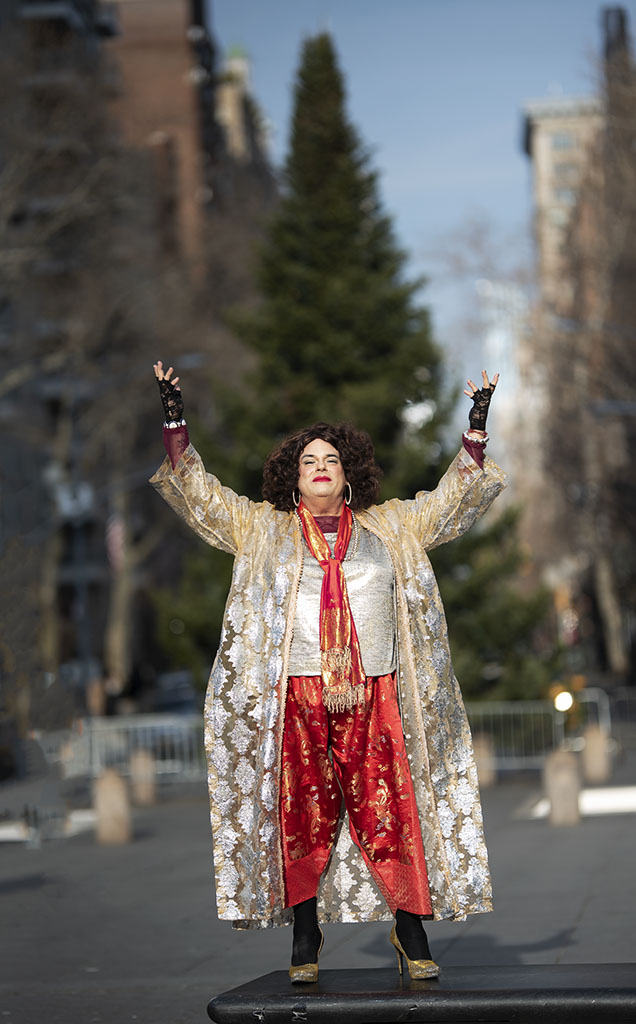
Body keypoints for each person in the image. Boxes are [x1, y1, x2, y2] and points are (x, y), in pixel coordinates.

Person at [150, 361, 505, 982]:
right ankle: (305, 935)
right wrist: (175, 419)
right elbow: (199, 494)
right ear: (294, 475)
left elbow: (452, 502)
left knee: (388, 807)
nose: (319, 465)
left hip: (376, 688)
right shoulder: (263, 530)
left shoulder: (389, 527)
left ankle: (409, 928)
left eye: (331, 460)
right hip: (298, 691)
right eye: (309, 459)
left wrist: (475, 427)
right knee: (303, 810)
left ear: (348, 476)